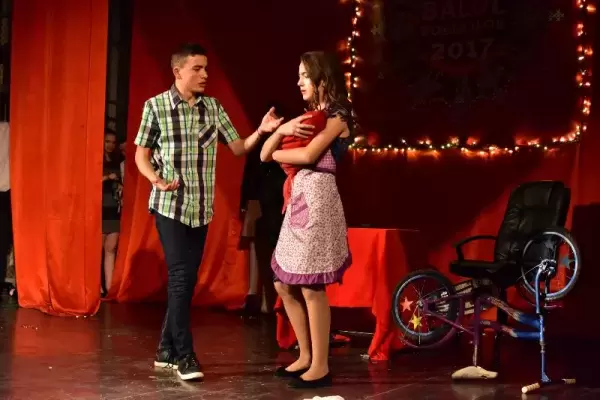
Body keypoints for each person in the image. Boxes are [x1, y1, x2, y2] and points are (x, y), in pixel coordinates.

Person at [133, 43, 283, 381]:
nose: (204, 75)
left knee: (187, 280)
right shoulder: (155, 106)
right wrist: (155, 179)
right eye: (197, 69)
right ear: (178, 72)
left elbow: (238, 147)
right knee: (180, 276)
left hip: (200, 209)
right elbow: (141, 155)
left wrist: (261, 131)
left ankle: (165, 350)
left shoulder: (212, 108)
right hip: (169, 205)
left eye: (206, 69)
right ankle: (185, 356)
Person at [260, 51, 355, 389]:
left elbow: (309, 154)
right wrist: (283, 129)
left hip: (318, 198)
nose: (299, 82)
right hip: (299, 196)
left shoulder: (338, 115)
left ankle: (320, 365)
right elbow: (262, 153)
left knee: (311, 286)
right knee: (282, 283)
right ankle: (304, 355)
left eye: (304, 75)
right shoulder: (306, 116)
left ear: (322, 78)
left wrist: (276, 152)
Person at [101, 130, 122, 295]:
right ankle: (96, 286)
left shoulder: (117, 161)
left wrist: (120, 186)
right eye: (107, 141)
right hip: (99, 208)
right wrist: (107, 178)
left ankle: (109, 287)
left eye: (113, 142)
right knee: (98, 250)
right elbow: (88, 181)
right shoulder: (96, 159)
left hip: (114, 208)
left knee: (111, 248)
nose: (110, 145)